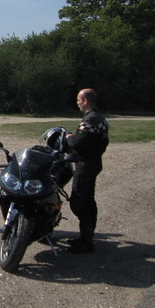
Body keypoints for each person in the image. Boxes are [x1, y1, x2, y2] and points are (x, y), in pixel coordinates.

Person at [64, 88, 109, 253]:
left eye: (79, 100)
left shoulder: (91, 120)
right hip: (93, 163)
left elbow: (78, 144)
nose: (77, 103)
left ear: (86, 101)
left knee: (78, 202)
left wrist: (69, 137)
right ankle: (87, 237)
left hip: (86, 165)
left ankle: (86, 242)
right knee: (89, 200)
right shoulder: (99, 117)